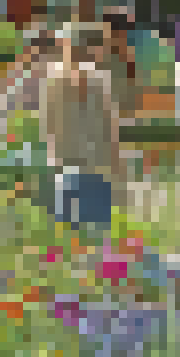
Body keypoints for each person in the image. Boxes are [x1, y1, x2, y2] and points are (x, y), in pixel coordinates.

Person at [40, 25, 125, 235]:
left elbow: (46, 125)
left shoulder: (56, 79)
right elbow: (109, 126)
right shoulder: (95, 79)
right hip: (86, 164)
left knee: (71, 236)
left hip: (74, 164)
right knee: (93, 235)